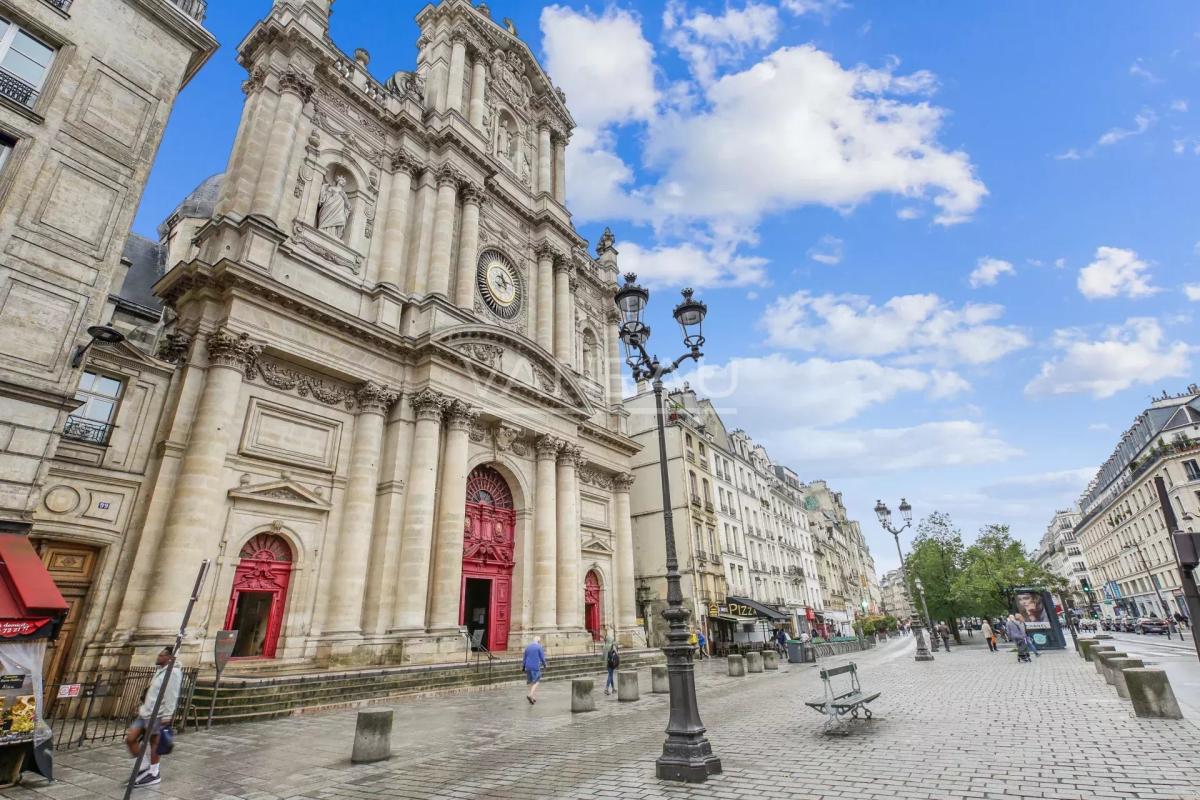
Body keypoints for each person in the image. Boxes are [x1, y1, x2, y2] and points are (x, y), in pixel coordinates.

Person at [124, 647, 182, 788]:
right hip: (146, 712)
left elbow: (172, 695)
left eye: (161, 655)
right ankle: (143, 768)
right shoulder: (160, 670)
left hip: (158, 714)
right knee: (130, 738)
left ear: (169, 658)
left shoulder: (173, 673)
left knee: (154, 743)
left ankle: (154, 773)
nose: (158, 657)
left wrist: (167, 716)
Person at [523, 636, 547, 705]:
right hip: (535, 666)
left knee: (530, 682)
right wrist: (545, 665)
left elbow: (524, 657)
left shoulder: (527, 647)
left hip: (528, 666)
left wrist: (523, 666)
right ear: (539, 641)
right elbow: (542, 657)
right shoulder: (539, 647)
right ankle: (530, 695)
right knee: (537, 681)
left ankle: (532, 697)